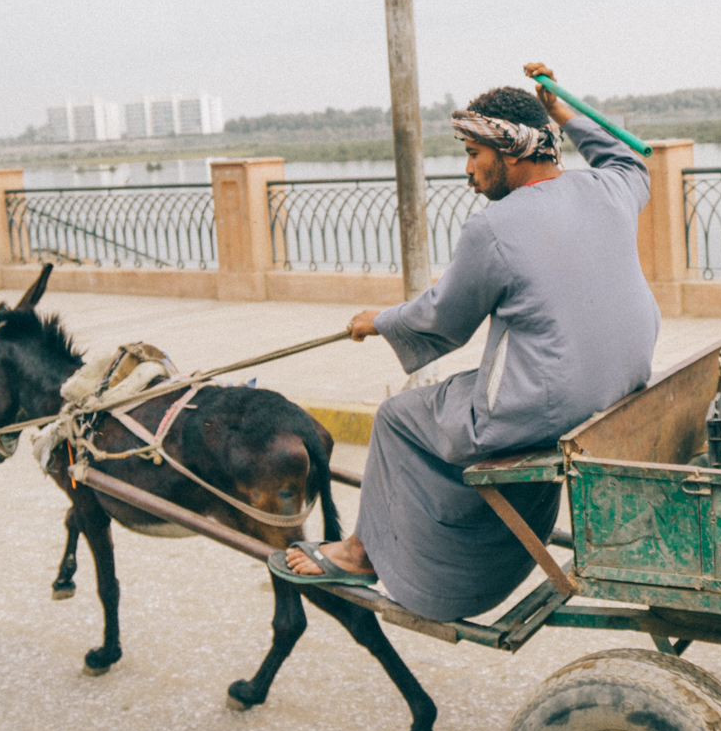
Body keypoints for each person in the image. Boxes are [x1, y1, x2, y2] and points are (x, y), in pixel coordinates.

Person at [271, 62, 659, 621]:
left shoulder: (492, 229)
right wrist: (565, 113)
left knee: (399, 416)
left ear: (513, 150)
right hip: (622, 386)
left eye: (475, 154)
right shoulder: (610, 188)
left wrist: (377, 320)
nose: (470, 172)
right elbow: (628, 157)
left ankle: (359, 552)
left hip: (548, 404)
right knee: (454, 398)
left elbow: (443, 320)